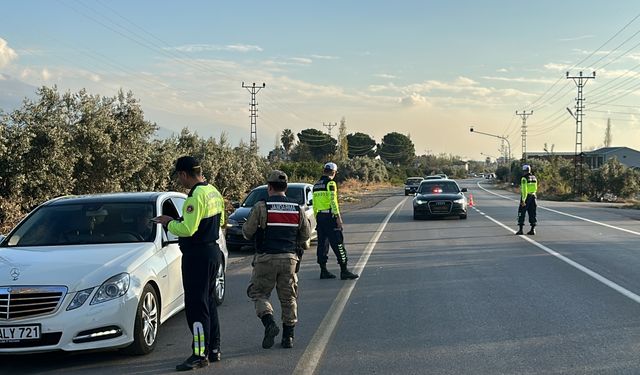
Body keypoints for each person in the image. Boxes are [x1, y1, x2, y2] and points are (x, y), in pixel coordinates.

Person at [154, 156, 225, 371]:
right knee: (208, 302)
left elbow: (187, 229)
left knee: (195, 307)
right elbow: (222, 221)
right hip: (212, 251)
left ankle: (199, 354)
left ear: (184, 174)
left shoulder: (194, 196)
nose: (179, 181)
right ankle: (213, 349)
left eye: (179, 176)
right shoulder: (213, 191)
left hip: (197, 256)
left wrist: (169, 223)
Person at [243, 170, 311, 349]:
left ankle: (269, 323)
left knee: (258, 293)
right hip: (289, 259)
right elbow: (305, 235)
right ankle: (288, 337)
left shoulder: (261, 206)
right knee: (288, 298)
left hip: (265, 258)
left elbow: (247, 233)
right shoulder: (297, 208)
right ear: (286, 188)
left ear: (269, 187)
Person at [312, 162, 358, 280]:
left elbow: (315, 204)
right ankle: (344, 270)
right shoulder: (331, 183)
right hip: (330, 217)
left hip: (320, 217)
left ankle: (323, 270)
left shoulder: (316, 185)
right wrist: (338, 217)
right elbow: (333, 201)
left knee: (322, 245)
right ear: (333, 172)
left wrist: (317, 217)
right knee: (338, 243)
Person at [516, 164, 538, 235]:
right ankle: (533, 229)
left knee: (521, 212)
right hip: (533, 196)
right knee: (532, 212)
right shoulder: (534, 177)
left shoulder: (524, 178)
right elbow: (535, 188)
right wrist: (534, 195)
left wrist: (523, 200)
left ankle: (520, 230)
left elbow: (524, 190)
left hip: (526, 196)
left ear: (524, 171)